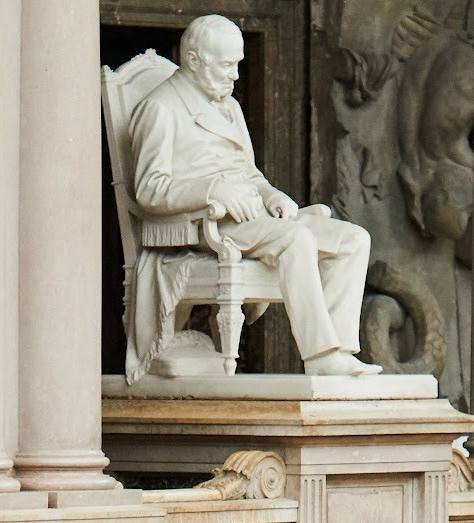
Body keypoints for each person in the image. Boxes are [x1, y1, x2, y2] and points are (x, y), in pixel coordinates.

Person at [124, 15, 377, 378]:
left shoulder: (230, 107)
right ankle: (320, 356)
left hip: (254, 219)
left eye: (237, 65)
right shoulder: (161, 108)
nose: (235, 76)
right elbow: (149, 190)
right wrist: (213, 190)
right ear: (193, 60)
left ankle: (339, 350)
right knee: (296, 237)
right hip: (206, 226)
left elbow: (250, 174)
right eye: (226, 65)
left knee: (353, 239)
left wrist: (273, 195)